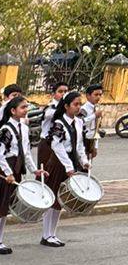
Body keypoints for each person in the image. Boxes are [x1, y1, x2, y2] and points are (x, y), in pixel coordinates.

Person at [0, 94, 41, 255]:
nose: (26, 110)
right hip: (5, 169)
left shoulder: (24, 128)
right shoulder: (5, 130)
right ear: (13, 111)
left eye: (26, 107)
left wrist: (34, 170)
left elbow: (26, 152)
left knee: (5, 207)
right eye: (22, 107)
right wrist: (8, 173)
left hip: (16, 168)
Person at [39, 87, 88, 247]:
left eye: (80, 104)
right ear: (66, 106)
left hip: (70, 162)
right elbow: (57, 146)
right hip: (58, 163)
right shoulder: (59, 123)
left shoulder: (79, 122)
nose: (78, 107)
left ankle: (52, 233)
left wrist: (84, 161)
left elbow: (79, 145)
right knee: (53, 198)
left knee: (61, 200)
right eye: (75, 104)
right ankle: (46, 235)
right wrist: (68, 166)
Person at [37, 79, 68, 169]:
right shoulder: (50, 107)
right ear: (53, 94)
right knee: (44, 171)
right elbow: (53, 114)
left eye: (66, 92)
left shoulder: (68, 108)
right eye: (60, 91)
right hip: (47, 143)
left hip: (61, 144)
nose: (63, 94)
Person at [80, 83, 102, 162]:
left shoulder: (97, 108)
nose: (98, 97)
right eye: (96, 95)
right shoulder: (83, 109)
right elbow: (80, 123)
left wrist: (96, 146)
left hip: (92, 141)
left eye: (100, 95)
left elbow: (96, 128)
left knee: (89, 164)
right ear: (88, 96)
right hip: (83, 141)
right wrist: (94, 116)